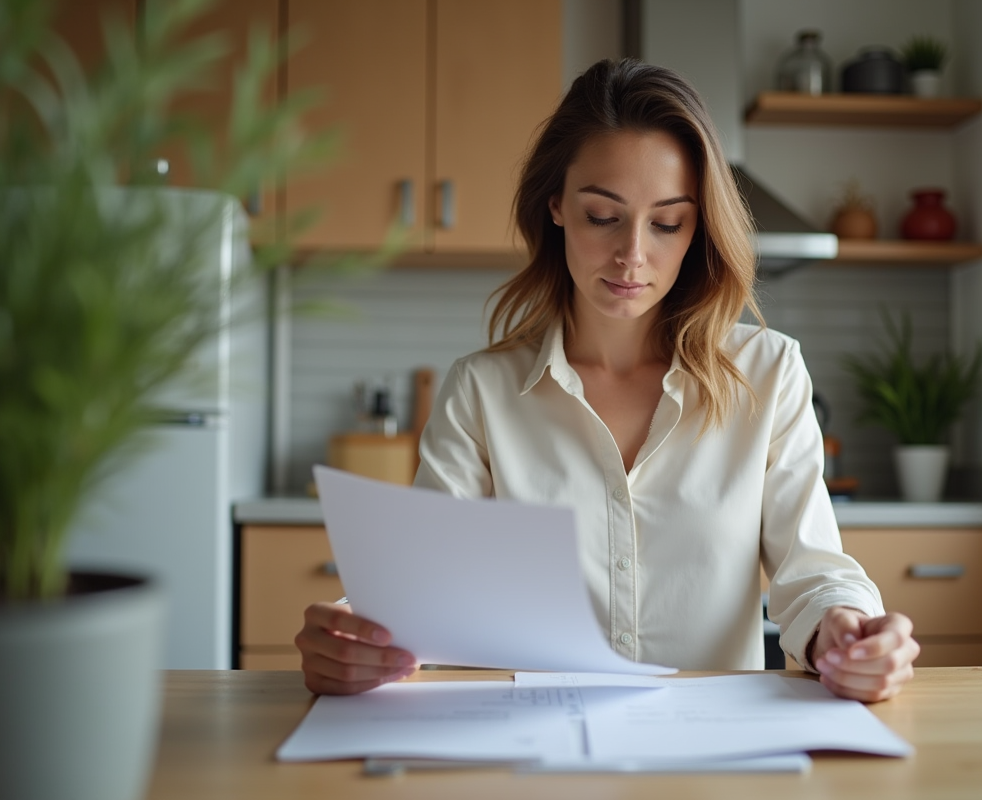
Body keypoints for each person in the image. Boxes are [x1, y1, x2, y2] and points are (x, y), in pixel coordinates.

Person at [295, 58, 919, 702]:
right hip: (533, 748)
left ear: (698, 227)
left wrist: (847, 631)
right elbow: (418, 585)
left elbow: (811, 573)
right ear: (557, 206)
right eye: (602, 216)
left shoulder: (769, 373)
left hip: (711, 754)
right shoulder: (481, 391)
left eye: (667, 222)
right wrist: (352, 638)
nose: (632, 255)